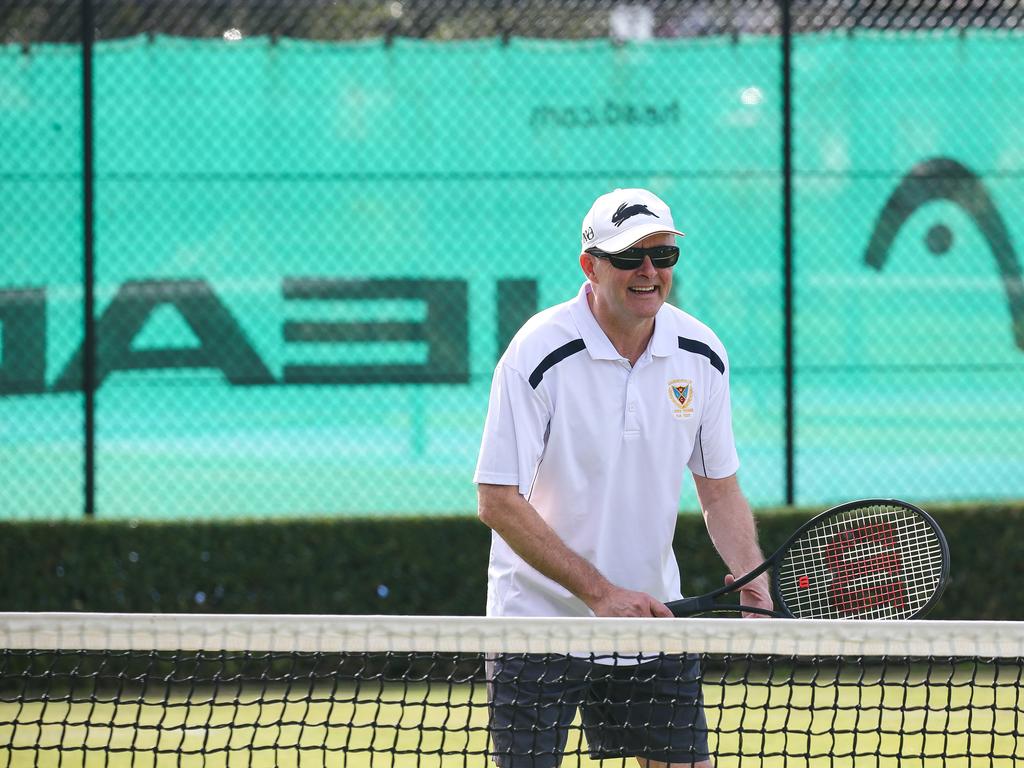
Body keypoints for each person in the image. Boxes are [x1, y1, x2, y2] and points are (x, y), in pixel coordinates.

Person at [473, 187, 773, 768]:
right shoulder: (536, 352)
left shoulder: (702, 353)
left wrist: (747, 571)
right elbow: (497, 501)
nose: (648, 272)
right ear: (590, 265)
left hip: (652, 618)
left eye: (662, 256)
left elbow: (719, 488)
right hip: (537, 626)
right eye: (629, 256)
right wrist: (601, 594)